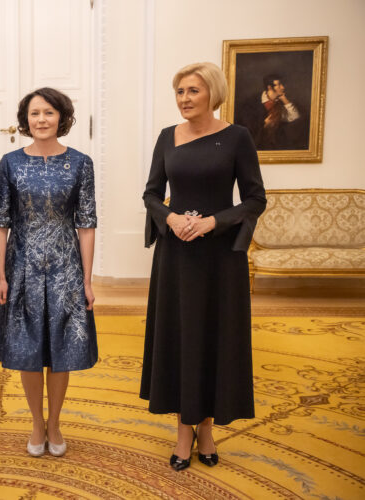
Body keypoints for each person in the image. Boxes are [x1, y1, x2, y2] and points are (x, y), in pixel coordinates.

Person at [140, 62, 266, 471]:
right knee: (180, 337)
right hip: (176, 256)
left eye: (192, 91)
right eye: (179, 92)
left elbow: (254, 198)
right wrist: (171, 218)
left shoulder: (237, 138)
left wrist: (213, 222)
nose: (184, 99)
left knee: (213, 338)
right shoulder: (166, 138)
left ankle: (207, 429)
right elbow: (152, 194)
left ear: (213, 92)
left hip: (218, 259)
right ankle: (182, 430)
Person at [0, 87, 98, 458]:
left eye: (49, 113)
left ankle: (55, 422)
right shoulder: (10, 163)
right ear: (26, 120)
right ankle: (37, 422)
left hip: (66, 268)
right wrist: (1, 275)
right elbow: (0, 221)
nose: (41, 120)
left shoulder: (82, 163)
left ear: (61, 118)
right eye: (35, 113)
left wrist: (86, 279)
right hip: (22, 268)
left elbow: (86, 222)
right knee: (27, 349)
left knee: (62, 349)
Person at [255, 74, 303, 150]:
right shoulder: (255, 102)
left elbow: (295, 117)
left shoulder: (280, 103)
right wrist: (264, 125)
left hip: (276, 145)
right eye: (279, 85)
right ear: (269, 87)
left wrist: (284, 100)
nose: (283, 87)